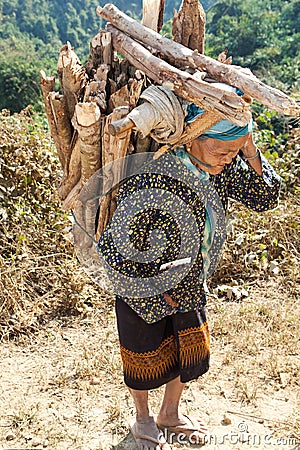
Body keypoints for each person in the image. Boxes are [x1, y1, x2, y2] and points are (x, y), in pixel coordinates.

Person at [97, 104, 281, 450]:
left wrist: (249, 147)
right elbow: (113, 248)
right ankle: (143, 419)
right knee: (143, 353)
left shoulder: (221, 169)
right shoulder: (155, 175)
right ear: (194, 137)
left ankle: (170, 413)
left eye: (235, 150)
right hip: (144, 284)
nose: (229, 158)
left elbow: (265, 196)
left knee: (187, 348)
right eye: (223, 149)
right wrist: (154, 291)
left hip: (190, 281)